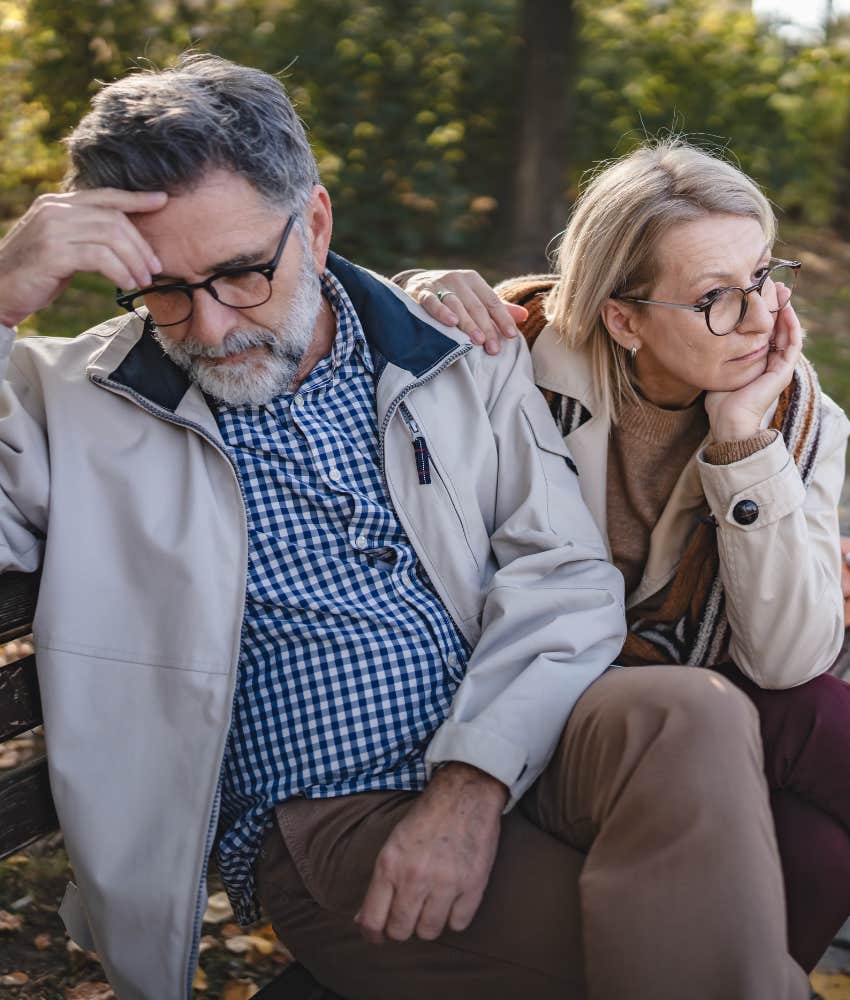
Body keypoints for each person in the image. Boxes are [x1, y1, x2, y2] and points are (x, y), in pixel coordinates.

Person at [0, 57, 810, 1000]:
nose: (213, 328)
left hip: (518, 748)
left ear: (314, 220)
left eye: (241, 274)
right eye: (164, 292)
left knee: (694, 711)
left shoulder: (446, 353)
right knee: (699, 958)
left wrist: (469, 787)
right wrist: (6, 296)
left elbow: (565, 572)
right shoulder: (72, 405)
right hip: (331, 820)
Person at [400, 137, 850, 974]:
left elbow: (788, 655)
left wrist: (743, 443)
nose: (759, 319)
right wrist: (417, 293)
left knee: (819, 855)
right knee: (823, 721)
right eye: (717, 297)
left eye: (762, 277)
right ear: (622, 317)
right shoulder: (515, 357)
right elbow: (374, 369)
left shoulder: (798, 420)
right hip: (530, 688)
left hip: (691, 695)